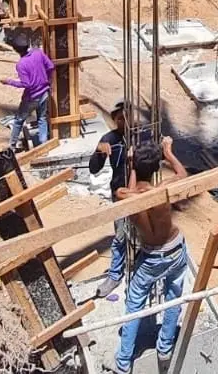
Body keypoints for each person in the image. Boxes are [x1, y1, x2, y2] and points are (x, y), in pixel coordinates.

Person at [113, 137, 190, 374]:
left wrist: (132, 165)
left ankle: (124, 361)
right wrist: (168, 152)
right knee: (173, 296)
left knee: (134, 304)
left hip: (151, 258)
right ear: (157, 167)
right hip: (175, 249)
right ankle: (165, 347)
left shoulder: (124, 194)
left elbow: (133, 193)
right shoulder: (162, 192)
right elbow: (183, 175)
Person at [88, 102, 131, 300]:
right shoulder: (109, 139)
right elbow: (94, 169)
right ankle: (114, 275)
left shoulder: (141, 136)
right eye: (120, 118)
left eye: (127, 116)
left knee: (143, 235)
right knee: (121, 236)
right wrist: (98, 151)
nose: (124, 121)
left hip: (141, 193)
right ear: (114, 120)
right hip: (120, 195)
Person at [3, 34, 54, 148]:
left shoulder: (21, 64)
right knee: (42, 118)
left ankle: (12, 146)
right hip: (44, 93)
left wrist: (9, 81)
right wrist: (47, 79)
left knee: (18, 121)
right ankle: (43, 145)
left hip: (31, 98)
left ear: (16, 50)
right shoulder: (38, 53)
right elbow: (50, 66)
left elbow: (27, 84)